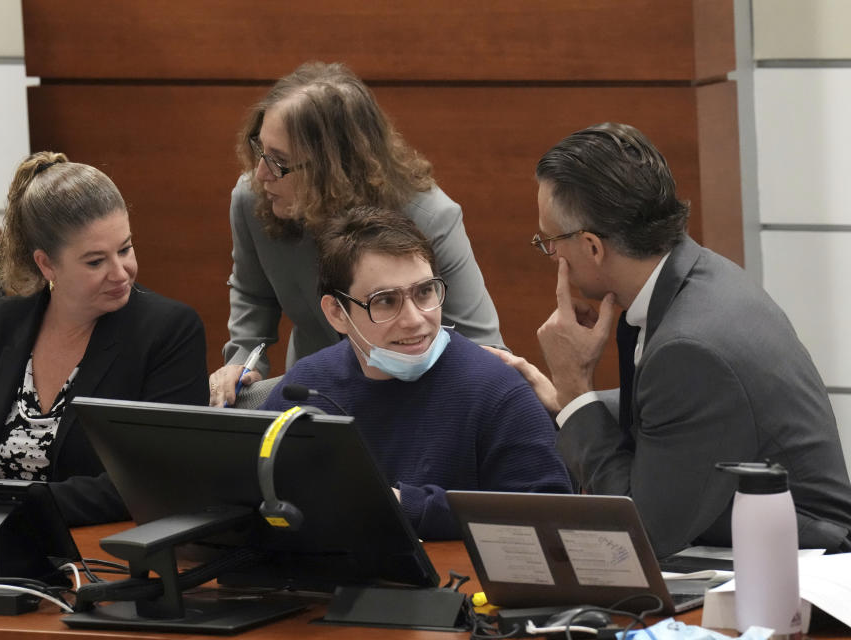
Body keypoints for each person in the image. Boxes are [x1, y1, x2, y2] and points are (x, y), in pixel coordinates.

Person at [492, 122, 851, 556]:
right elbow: (677, 414)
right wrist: (571, 404)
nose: (551, 255)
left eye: (549, 241)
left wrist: (575, 390)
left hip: (799, 564)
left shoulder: (692, 347)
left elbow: (638, 534)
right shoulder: (699, 273)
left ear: (591, 246)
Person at [0, 152, 210, 527]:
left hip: (96, 554)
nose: (121, 273)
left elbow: (147, 484)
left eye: (125, 249)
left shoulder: (168, 331)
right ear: (47, 264)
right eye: (96, 262)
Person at [260, 206, 571, 540]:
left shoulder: (496, 389)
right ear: (337, 313)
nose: (414, 319)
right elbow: (252, 497)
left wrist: (405, 505)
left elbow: (550, 517)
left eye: (424, 292)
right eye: (385, 301)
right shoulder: (305, 388)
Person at [210, 61, 504, 406]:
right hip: (317, 392)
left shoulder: (430, 216)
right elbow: (252, 293)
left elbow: (487, 350)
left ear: (332, 167)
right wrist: (242, 360)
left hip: (421, 396)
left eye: (278, 160)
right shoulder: (253, 200)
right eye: (260, 150)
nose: (260, 173)